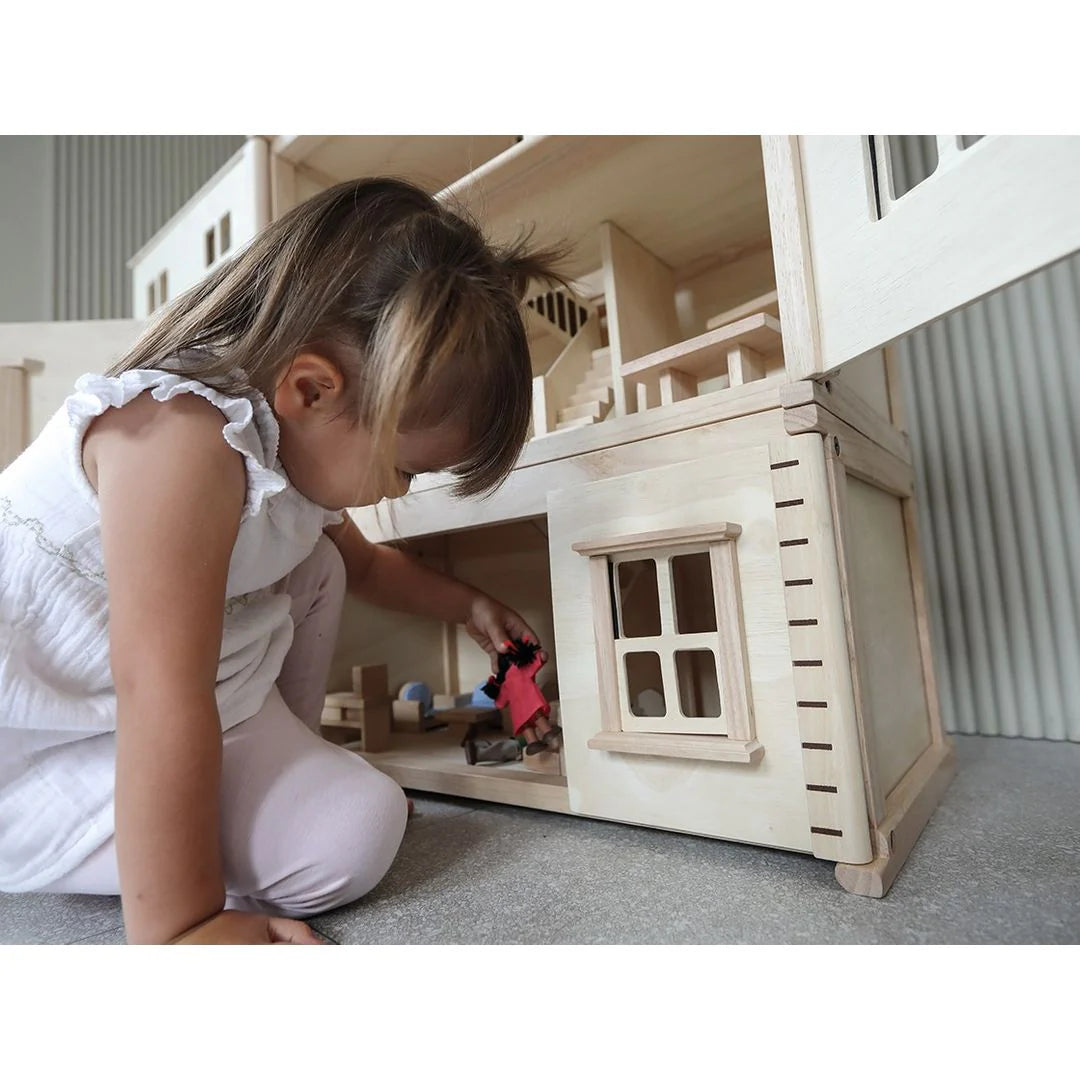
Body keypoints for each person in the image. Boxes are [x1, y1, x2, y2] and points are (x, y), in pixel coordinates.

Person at [0, 177, 563, 944]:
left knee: (319, 569)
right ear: (310, 389)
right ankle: (181, 866)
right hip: (37, 747)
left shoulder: (287, 454)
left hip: (140, 711)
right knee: (353, 835)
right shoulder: (176, 439)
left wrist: (467, 605)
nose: (397, 491)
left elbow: (362, 569)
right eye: (407, 470)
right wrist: (183, 928)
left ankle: (267, 783)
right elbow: (161, 689)